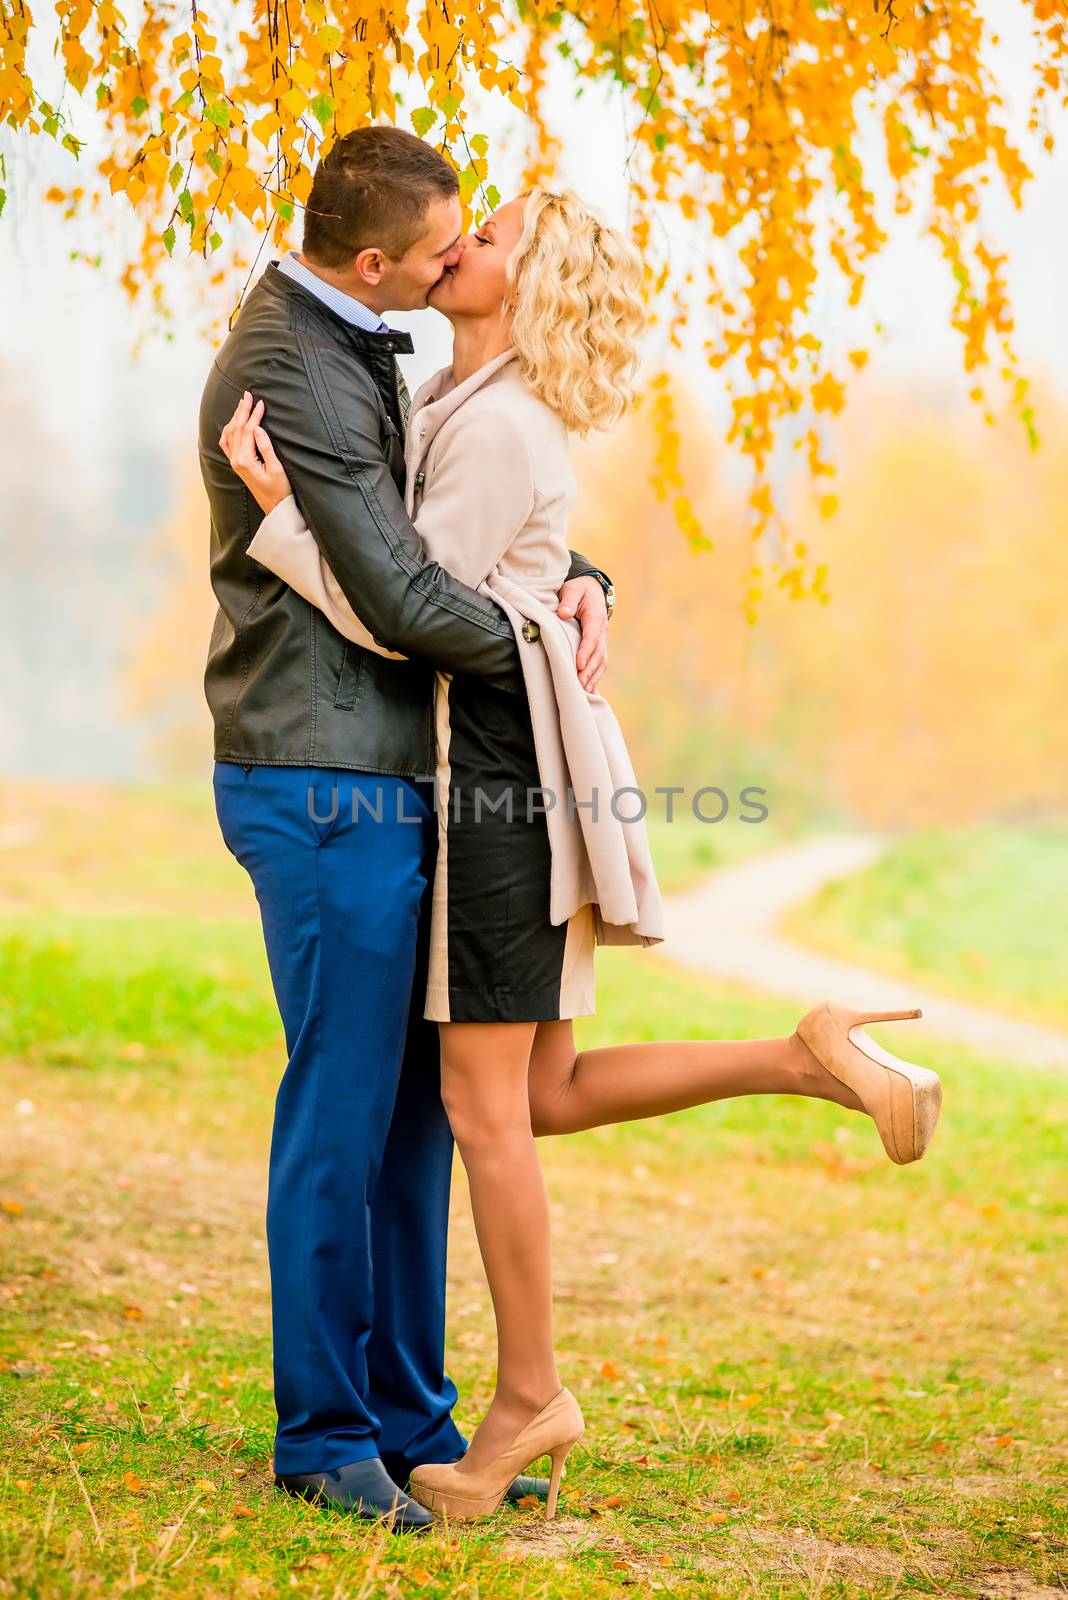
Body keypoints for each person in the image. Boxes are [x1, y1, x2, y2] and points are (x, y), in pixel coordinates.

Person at [218, 179, 945, 1526]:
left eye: (484, 238)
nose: (460, 246)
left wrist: (281, 522)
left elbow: (405, 611)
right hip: (518, 770)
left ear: (526, 282)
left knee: (486, 1109)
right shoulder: (470, 404)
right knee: (536, 1090)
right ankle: (803, 1054)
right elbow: (484, 557)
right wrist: (576, 576)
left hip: (500, 782)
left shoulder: (499, 429)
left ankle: (524, 1400)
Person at [199, 125, 616, 1534]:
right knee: (343, 1106)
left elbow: (472, 506)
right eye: (445, 245)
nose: (459, 257)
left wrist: (576, 575)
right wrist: (533, 647)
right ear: (375, 261)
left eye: (474, 241)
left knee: (410, 1121)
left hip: (394, 778)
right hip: (322, 776)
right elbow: (406, 598)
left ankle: (409, 1415)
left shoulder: (380, 349)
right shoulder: (293, 366)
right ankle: (324, 1434)